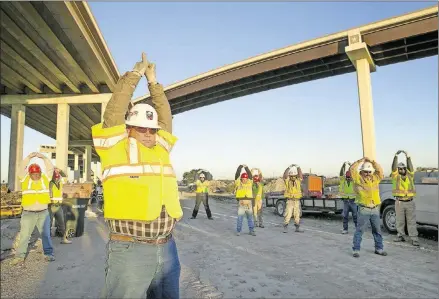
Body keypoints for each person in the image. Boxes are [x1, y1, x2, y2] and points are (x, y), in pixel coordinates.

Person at [91, 53, 183, 298]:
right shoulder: (114, 148)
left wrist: (153, 82)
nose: (147, 133)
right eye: (140, 128)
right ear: (127, 129)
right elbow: (114, 111)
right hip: (130, 249)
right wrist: (135, 75)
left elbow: (165, 118)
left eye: (151, 130)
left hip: (167, 248)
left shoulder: (160, 148)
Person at [10, 152, 55, 265]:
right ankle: (20, 257)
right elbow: (20, 167)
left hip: (43, 213)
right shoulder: (24, 179)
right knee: (25, 235)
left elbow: (50, 168)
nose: (36, 175)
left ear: (40, 172)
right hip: (28, 213)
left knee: (46, 234)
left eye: (37, 173)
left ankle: (49, 254)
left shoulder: (45, 178)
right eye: (33, 173)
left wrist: (44, 157)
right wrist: (29, 158)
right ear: (29, 173)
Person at [350, 157, 387, 258]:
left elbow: (380, 171)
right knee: (360, 230)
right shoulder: (358, 179)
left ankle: (379, 248)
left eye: (369, 172)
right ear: (361, 172)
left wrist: (373, 161)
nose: (367, 173)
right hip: (364, 209)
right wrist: (360, 161)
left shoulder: (375, 179)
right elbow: (352, 169)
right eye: (365, 171)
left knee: (377, 231)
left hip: (375, 208)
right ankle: (356, 250)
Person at [391, 150, 419, 246]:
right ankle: (400, 236)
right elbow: (393, 168)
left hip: (410, 202)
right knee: (399, 220)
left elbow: (411, 168)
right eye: (400, 168)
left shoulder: (410, 176)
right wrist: (395, 156)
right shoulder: (395, 177)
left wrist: (408, 157)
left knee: (411, 221)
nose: (401, 170)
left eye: (403, 168)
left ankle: (414, 238)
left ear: (405, 169)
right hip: (399, 202)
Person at [49, 168, 72, 244]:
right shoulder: (49, 183)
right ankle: (47, 241)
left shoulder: (61, 183)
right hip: (51, 205)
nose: (57, 178)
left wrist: (60, 171)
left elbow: (65, 176)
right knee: (49, 223)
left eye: (58, 177)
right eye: (56, 177)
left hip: (58, 206)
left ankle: (64, 239)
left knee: (61, 223)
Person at [234, 164, 256, 236]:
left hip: (249, 203)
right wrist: (240, 167)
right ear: (241, 179)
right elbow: (237, 175)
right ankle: (238, 231)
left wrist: (246, 167)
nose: (244, 180)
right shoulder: (238, 183)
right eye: (243, 179)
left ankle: (251, 231)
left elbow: (250, 175)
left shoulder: (249, 183)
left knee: (250, 218)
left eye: (245, 179)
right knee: (240, 218)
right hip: (241, 204)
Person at [282, 164, 304, 233]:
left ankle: (297, 228)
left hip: (297, 201)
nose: (293, 177)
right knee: (288, 214)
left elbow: (300, 175)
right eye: (291, 176)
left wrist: (298, 167)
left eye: (294, 176)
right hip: (290, 201)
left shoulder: (298, 181)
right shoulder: (287, 181)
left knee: (297, 215)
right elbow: (285, 176)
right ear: (290, 176)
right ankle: (285, 227)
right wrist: (288, 168)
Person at [339, 162, 357, 234]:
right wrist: (343, 166)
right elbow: (341, 173)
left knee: (355, 216)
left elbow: (355, 172)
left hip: (353, 201)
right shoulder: (343, 180)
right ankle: (345, 229)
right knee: (345, 216)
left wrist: (351, 165)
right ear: (345, 177)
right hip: (346, 201)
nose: (348, 179)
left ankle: (357, 229)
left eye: (349, 177)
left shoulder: (354, 180)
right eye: (347, 177)